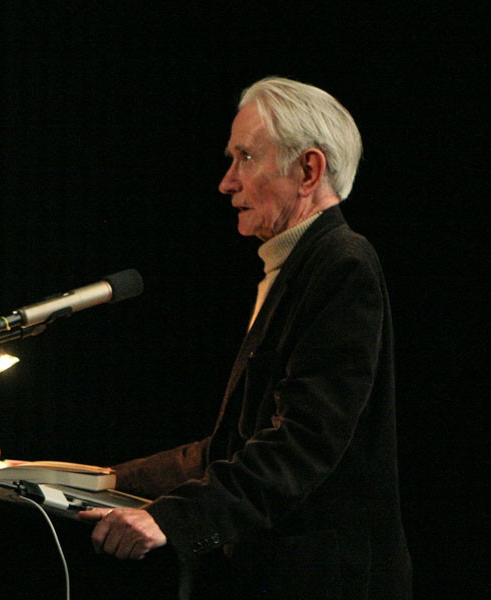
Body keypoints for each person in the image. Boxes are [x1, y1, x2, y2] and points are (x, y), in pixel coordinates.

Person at [79, 76, 412, 598]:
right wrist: (99, 479)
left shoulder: (342, 263)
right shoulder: (293, 266)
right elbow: (231, 447)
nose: (227, 182)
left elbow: (304, 442)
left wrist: (173, 519)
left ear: (309, 170)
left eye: (246, 158)